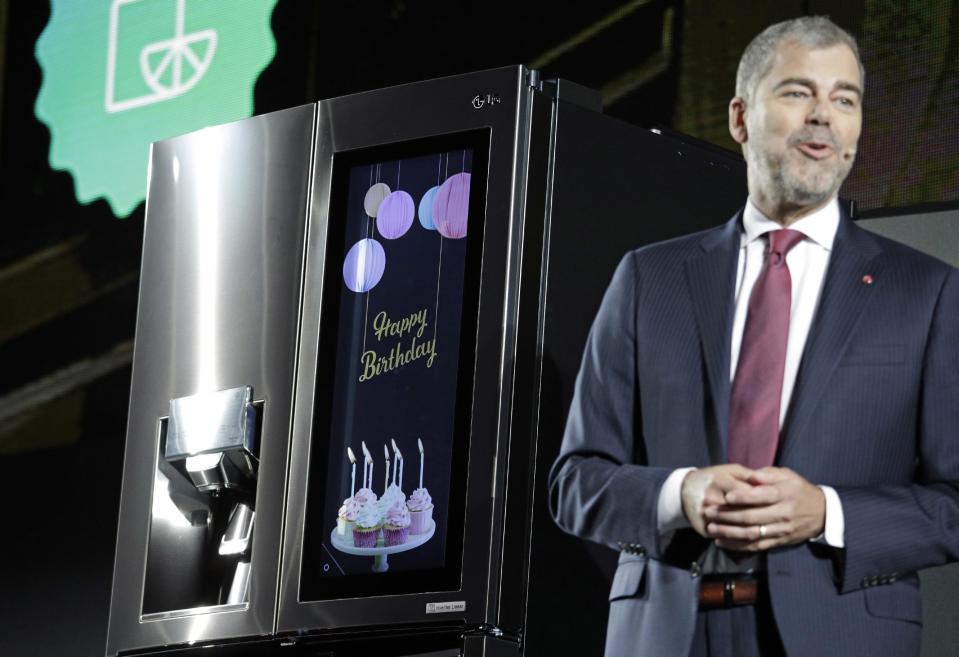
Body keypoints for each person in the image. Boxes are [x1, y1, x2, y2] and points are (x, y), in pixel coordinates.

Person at [549, 15, 959, 657]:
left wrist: (827, 511)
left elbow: (954, 503)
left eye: (844, 99)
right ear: (740, 118)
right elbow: (575, 482)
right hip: (666, 636)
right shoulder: (649, 278)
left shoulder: (925, 292)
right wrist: (678, 493)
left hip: (843, 636)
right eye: (798, 92)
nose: (824, 115)